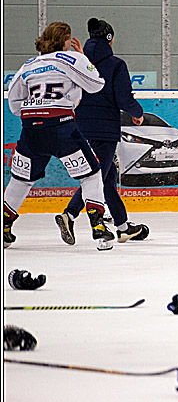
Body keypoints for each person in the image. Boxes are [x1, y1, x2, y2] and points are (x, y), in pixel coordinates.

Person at [4, 21, 116, 250]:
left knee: (21, 179)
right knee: (92, 174)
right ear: (65, 41)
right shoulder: (72, 58)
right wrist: (84, 60)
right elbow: (96, 84)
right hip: (61, 126)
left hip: (31, 129)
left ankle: (4, 225)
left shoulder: (28, 65)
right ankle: (98, 227)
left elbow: (14, 103)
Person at [56, 18, 149, 246]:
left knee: (106, 178)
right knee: (96, 177)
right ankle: (70, 214)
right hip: (104, 130)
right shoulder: (116, 64)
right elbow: (123, 97)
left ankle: (123, 227)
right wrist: (137, 113)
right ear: (109, 39)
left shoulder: (79, 61)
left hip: (79, 127)